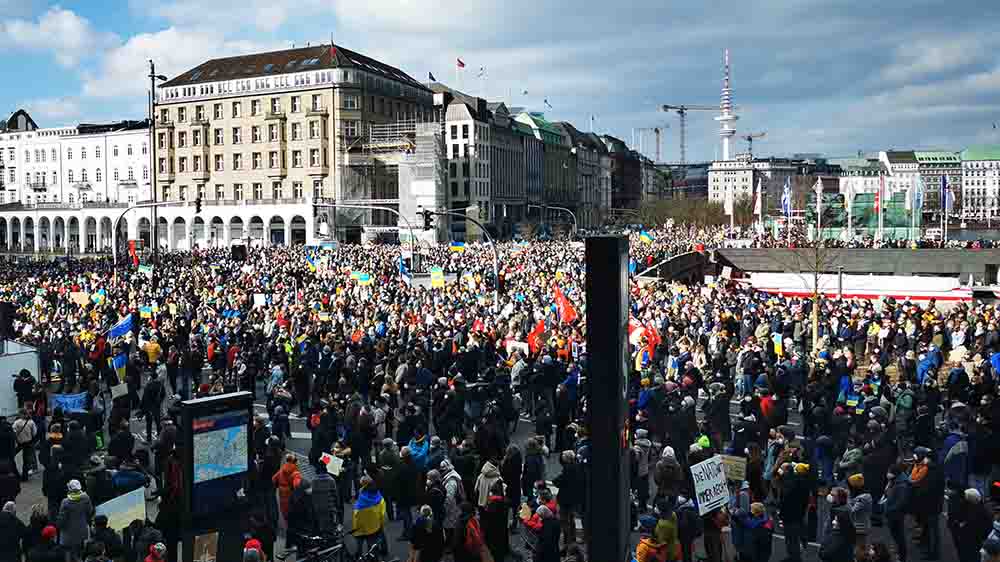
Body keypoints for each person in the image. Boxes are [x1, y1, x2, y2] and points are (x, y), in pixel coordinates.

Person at [57, 479, 94, 560]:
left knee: (69, 554)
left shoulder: (65, 502)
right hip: (82, 530)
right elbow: (90, 512)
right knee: (79, 552)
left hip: (68, 533)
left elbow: (62, 520)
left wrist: (58, 526)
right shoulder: (86, 498)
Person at [352, 475, 387, 557]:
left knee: (359, 543)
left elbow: (356, 514)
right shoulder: (379, 497)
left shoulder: (361, 499)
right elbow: (382, 512)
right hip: (374, 526)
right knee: (372, 545)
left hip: (360, 527)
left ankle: (358, 556)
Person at [882, 464, 911, 562]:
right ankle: (899, 550)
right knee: (895, 534)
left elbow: (901, 502)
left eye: (889, 472)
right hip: (891, 513)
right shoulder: (893, 481)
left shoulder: (902, 485)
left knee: (899, 536)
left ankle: (902, 556)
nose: (887, 474)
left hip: (895, 515)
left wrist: (890, 510)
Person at [272, 454, 301, 526]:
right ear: (294, 462)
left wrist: (278, 485)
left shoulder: (282, 469)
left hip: (281, 491)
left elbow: (274, 479)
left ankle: (286, 522)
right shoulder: (295, 471)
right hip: (289, 492)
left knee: (283, 508)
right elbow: (296, 485)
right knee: (290, 508)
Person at [12, 410, 38, 481]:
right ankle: (25, 476)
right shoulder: (31, 422)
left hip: (19, 443)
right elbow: (34, 433)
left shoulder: (17, 422)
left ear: (21, 414)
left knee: (11, 456)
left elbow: (13, 431)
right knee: (26, 460)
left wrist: (16, 439)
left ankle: (14, 473)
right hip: (28, 443)